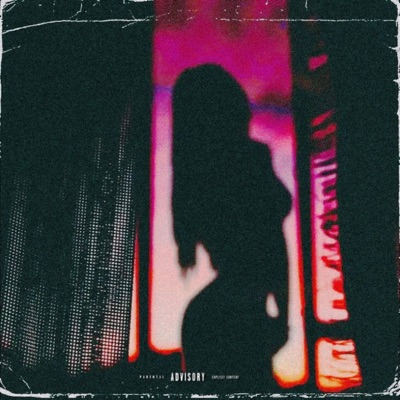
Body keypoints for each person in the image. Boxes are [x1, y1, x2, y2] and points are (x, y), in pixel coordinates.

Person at [172, 64, 291, 390]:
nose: (248, 112)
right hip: (240, 314)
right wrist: (283, 319)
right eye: (239, 103)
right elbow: (273, 246)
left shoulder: (195, 178)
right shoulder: (250, 160)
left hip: (213, 314)